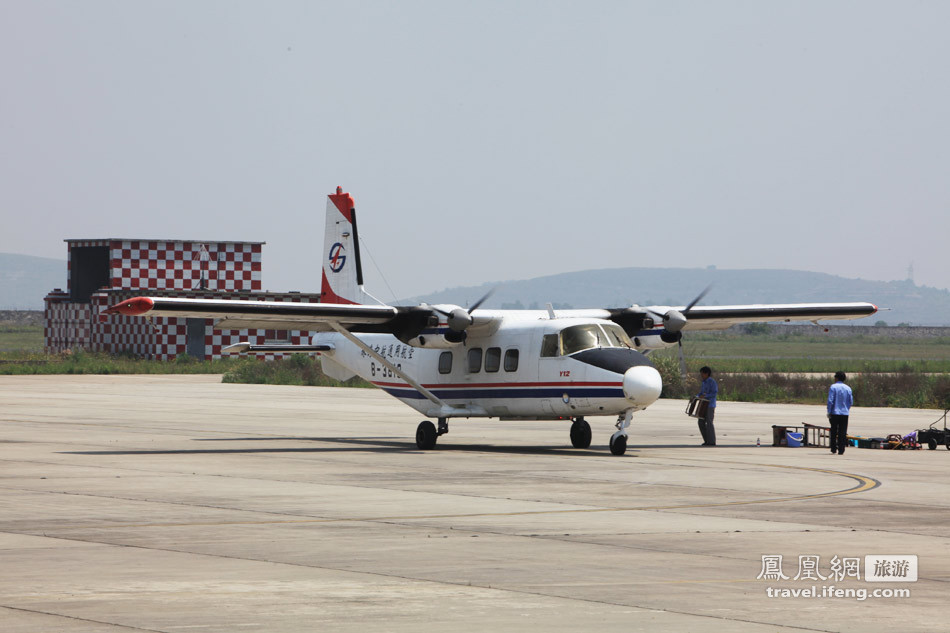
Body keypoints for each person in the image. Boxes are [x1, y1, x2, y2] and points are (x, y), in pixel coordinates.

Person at [827, 371, 853, 455]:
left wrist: (829, 411)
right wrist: (846, 409)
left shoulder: (833, 387)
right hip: (844, 413)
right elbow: (850, 401)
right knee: (843, 432)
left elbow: (830, 401)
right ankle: (841, 449)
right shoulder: (848, 388)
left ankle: (833, 448)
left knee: (834, 431)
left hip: (835, 412)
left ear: (836, 378)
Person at [696, 366, 718, 446]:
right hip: (703, 404)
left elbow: (714, 393)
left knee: (709, 422)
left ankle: (711, 441)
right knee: (700, 422)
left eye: (702, 374)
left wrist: (705, 396)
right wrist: (697, 397)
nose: (701, 375)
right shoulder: (703, 382)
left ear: (706, 373)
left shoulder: (712, 382)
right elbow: (701, 393)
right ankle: (706, 440)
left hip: (710, 405)